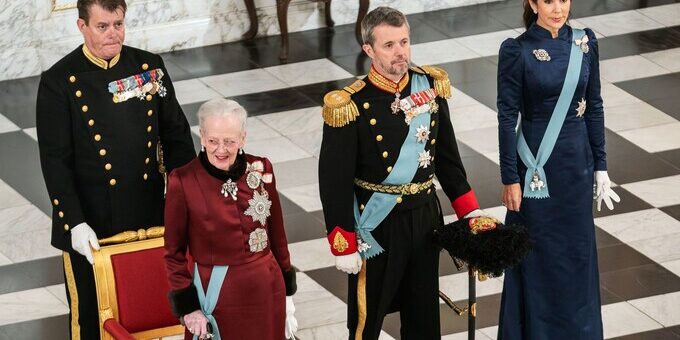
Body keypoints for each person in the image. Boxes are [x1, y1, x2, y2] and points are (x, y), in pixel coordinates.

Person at [319, 6, 486, 340]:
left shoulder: (430, 86)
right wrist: (343, 243)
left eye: (404, 42)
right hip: (378, 226)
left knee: (423, 315)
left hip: (424, 218)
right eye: (389, 45)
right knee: (368, 319)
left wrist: (471, 212)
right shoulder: (351, 104)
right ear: (368, 49)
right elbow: (333, 181)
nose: (400, 52)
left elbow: (448, 159)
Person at [36, 0, 195, 338]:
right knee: (92, 320)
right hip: (92, 222)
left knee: (154, 311)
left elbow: (178, 139)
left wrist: (190, 200)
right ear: (82, 27)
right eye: (102, 26)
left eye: (118, 24)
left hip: (148, 212)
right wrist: (74, 222)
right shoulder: (59, 81)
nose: (113, 34)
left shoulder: (150, 67)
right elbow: (55, 162)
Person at [496, 1, 620, 339]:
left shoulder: (585, 42)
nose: (558, 8)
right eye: (548, 0)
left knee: (577, 261)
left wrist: (601, 167)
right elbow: (507, 117)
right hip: (537, 175)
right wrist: (510, 177)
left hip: (576, 172)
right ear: (533, 3)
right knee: (539, 261)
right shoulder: (516, 51)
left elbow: (594, 105)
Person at [164, 98, 298, 340]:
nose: (221, 149)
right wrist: (189, 308)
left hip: (267, 291)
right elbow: (173, 254)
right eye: (213, 140)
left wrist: (288, 296)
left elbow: (277, 234)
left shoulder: (261, 169)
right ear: (202, 136)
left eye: (230, 141)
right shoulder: (182, 181)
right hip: (217, 294)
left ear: (243, 138)